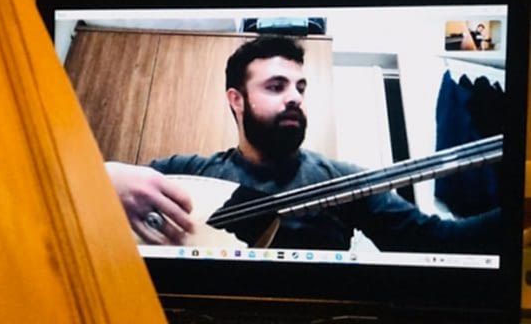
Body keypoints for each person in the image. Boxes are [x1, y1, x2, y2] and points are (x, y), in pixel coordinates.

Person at [106, 36, 500, 252]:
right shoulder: (187, 172)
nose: (294, 97)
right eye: (276, 87)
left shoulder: (344, 180)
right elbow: (82, 201)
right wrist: (109, 176)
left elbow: (438, 241)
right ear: (236, 100)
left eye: (300, 87)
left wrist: (514, 212)